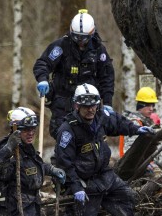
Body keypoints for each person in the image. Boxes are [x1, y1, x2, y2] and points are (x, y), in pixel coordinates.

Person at [55, 83, 154, 216]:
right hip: (85, 183)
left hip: (104, 175)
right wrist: (75, 187)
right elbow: (64, 162)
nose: (91, 109)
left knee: (127, 197)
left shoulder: (100, 116)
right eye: (86, 106)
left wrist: (135, 129)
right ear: (77, 106)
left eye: (94, 105)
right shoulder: (68, 130)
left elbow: (117, 122)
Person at [33, 9, 115, 139]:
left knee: (93, 141)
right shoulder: (61, 46)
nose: (80, 42)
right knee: (63, 138)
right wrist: (42, 79)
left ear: (92, 34)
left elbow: (107, 77)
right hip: (63, 104)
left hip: (89, 105)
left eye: (84, 38)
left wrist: (108, 103)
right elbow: (43, 63)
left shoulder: (99, 50)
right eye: (77, 37)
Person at [119, 86, 162, 173]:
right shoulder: (134, 123)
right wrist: (146, 165)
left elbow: (154, 152)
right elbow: (131, 152)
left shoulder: (146, 122)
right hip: (131, 168)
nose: (151, 109)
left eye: (153, 105)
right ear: (140, 105)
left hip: (144, 164)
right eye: (148, 105)